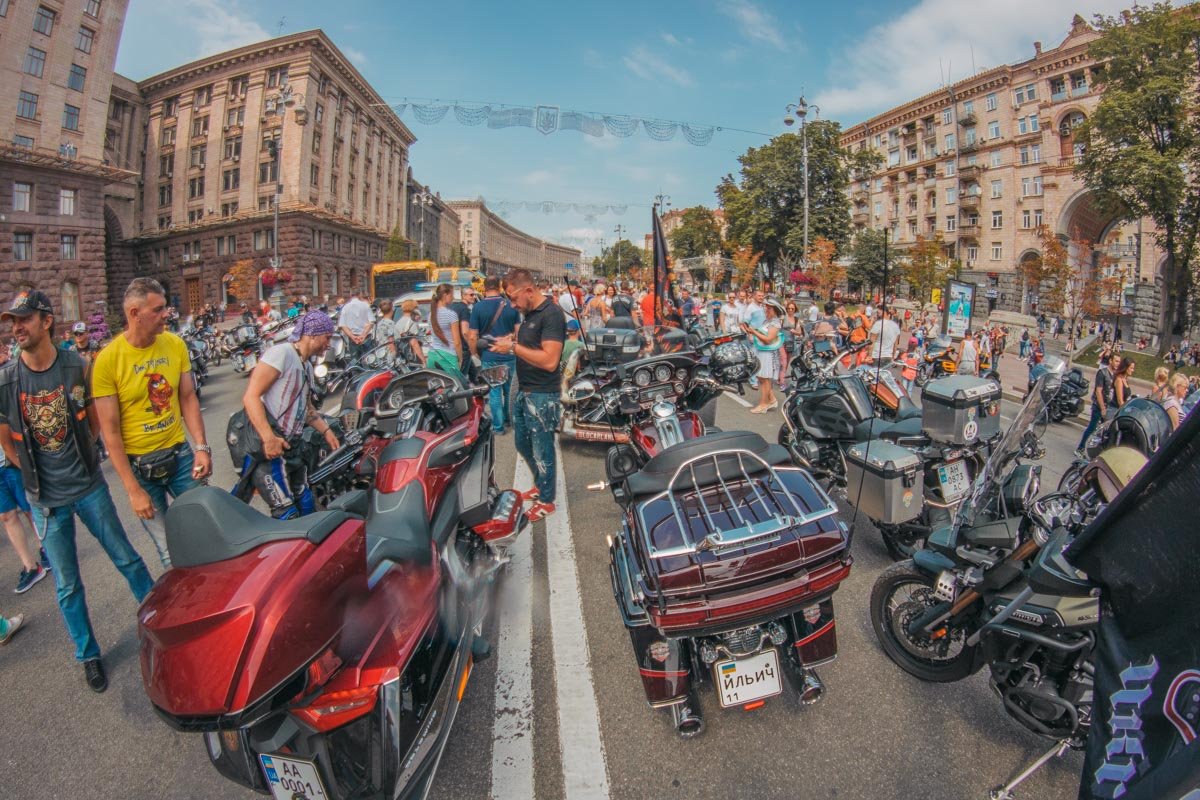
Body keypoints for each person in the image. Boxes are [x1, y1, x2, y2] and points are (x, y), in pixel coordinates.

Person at [0, 289, 154, 692]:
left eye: (24, 319)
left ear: (46, 322)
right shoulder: (7, 379)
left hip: (88, 487)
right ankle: (88, 655)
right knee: (68, 585)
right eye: (12, 321)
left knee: (128, 559)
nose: (16, 327)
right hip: (45, 502)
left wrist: (80, 458)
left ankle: (160, 623)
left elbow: (95, 422)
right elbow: (6, 439)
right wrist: (33, 474)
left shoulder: (77, 366)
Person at [91, 278, 212, 569]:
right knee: (171, 555)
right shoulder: (107, 361)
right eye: (157, 310)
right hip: (140, 469)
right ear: (135, 313)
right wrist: (133, 490)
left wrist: (201, 447)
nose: (166, 315)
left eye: (165, 308)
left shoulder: (175, 344)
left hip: (181, 458)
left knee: (207, 535)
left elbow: (187, 398)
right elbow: (110, 432)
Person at [236, 311, 339, 518]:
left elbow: (307, 409)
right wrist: (269, 438)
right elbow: (251, 397)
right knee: (287, 513)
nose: (328, 344)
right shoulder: (281, 353)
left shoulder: (307, 365)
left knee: (306, 503)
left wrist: (327, 431)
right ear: (312, 334)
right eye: (327, 337)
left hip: (293, 447)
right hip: (272, 447)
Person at [489, 268, 565, 522]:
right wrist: (512, 339)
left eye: (513, 298)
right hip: (525, 389)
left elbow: (550, 360)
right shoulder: (530, 314)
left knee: (543, 449)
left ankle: (547, 500)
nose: (512, 304)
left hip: (543, 394)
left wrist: (513, 347)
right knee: (522, 443)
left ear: (529, 291)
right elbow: (531, 344)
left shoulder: (551, 314)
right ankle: (541, 484)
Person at [467, 277, 521, 435]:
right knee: (510, 390)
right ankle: (509, 419)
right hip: (510, 355)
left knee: (495, 391)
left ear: (484, 288)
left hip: (489, 356)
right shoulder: (511, 306)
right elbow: (518, 332)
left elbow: (472, 336)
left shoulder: (477, 307)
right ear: (499, 287)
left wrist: (475, 353)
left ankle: (498, 427)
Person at [744, 298, 784, 414]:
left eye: (769, 308)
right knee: (761, 377)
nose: (766, 309)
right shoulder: (768, 321)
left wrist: (754, 332)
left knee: (765, 379)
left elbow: (768, 339)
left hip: (767, 353)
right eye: (766, 307)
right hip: (761, 351)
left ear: (775, 310)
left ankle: (763, 404)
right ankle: (771, 400)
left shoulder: (775, 322)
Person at [1076, 356, 1120, 458]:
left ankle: (1095, 450)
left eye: (1119, 362)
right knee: (1092, 427)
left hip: (1108, 407)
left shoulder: (1114, 375)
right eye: (1116, 361)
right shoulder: (1102, 373)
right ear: (1110, 361)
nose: (1118, 363)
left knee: (1102, 431)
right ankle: (1080, 448)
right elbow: (1098, 391)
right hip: (1099, 406)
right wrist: (1102, 407)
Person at [425, 283, 464, 381]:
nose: (453, 297)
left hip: (433, 356)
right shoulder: (451, 315)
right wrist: (460, 359)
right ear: (445, 295)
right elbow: (457, 342)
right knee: (455, 389)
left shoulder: (430, 315)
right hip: (448, 357)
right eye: (452, 295)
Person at [338, 290, 373, 359]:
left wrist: (352, 336)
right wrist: (363, 335)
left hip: (353, 340)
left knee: (355, 362)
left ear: (350, 295)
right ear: (360, 295)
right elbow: (371, 322)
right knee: (368, 361)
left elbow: (342, 325)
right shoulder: (365, 305)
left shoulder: (345, 307)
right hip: (366, 338)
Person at [394, 299, 426, 365]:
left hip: (402, 357)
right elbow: (414, 343)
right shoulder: (411, 322)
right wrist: (423, 360)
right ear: (413, 309)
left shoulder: (399, 322)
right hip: (412, 358)